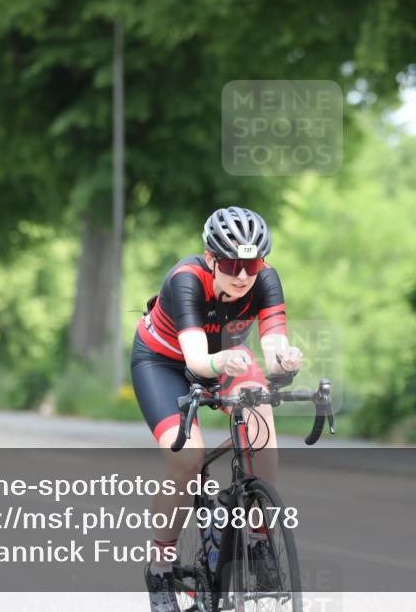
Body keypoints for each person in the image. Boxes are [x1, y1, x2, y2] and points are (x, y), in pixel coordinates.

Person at [131, 207, 303, 611]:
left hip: (229, 357)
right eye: (230, 264)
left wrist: (287, 360)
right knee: (186, 460)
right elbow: (195, 360)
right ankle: (160, 568)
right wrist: (221, 361)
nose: (243, 275)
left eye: (252, 264)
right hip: (165, 362)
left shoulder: (266, 281)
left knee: (261, 418)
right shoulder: (185, 280)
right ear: (211, 259)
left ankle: (259, 539)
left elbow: (275, 347)